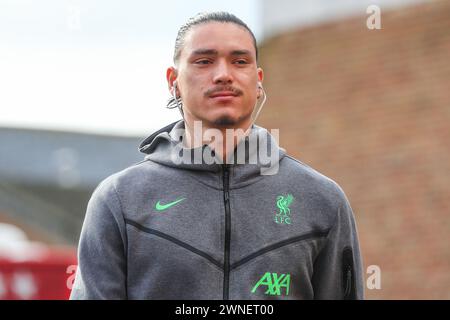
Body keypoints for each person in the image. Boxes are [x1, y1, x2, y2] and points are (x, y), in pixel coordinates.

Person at [70, 11, 364, 300]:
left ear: (258, 80)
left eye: (240, 61)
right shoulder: (120, 201)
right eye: (204, 61)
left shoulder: (321, 200)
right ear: (173, 80)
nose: (223, 75)